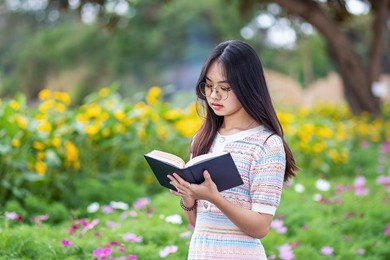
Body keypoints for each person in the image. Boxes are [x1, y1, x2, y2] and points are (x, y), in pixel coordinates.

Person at [167, 40, 297, 260]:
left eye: (225, 88)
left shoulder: (266, 145)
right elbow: (198, 222)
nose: (214, 95)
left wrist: (215, 198)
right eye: (208, 86)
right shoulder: (202, 140)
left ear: (248, 86)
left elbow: (260, 228)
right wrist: (188, 197)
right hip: (200, 253)